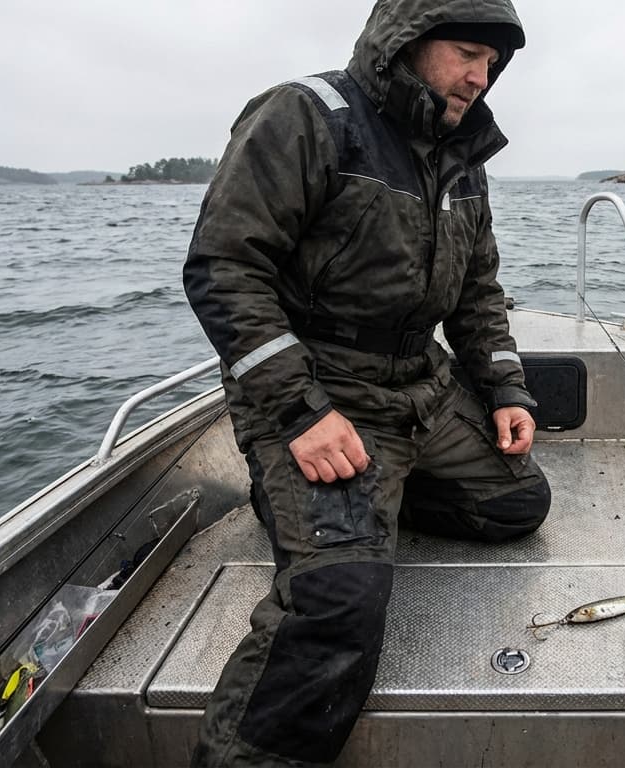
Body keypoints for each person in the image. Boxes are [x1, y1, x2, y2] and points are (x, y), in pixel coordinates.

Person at [182, 1, 549, 765]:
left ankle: (349, 507)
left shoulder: (462, 155)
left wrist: (508, 390)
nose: (481, 78)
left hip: (422, 388)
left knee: (518, 502)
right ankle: (310, 512)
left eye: (493, 63)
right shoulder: (307, 116)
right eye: (466, 54)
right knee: (341, 599)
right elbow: (223, 267)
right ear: (407, 41)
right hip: (320, 394)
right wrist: (298, 412)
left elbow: (478, 292)